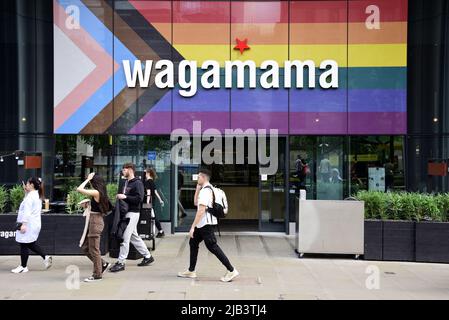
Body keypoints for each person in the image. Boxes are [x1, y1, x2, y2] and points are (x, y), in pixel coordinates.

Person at [178, 168, 239, 282]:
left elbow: (200, 211)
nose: (197, 178)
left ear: (204, 177)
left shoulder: (206, 191)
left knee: (212, 246)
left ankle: (231, 270)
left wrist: (192, 227)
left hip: (206, 224)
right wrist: (197, 189)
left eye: (199, 176)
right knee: (193, 242)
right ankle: (191, 271)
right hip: (203, 224)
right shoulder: (207, 189)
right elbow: (196, 203)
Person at [109, 163, 154, 272]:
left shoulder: (137, 183)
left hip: (132, 213)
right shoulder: (126, 182)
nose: (122, 172)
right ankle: (148, 256)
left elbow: (139, 199)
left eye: (124, 170)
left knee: (125, 238)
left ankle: (121, 262)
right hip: (127, 213)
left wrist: (125, 196)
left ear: (130, 170)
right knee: (134, 236)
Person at [11, 177, 52, 274]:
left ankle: (23, 266)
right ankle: (45, 257)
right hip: (34, 223)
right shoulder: (36, 194)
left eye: (28, 184)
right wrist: (26, 192)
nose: (26, 185)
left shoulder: (31, 196)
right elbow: (27, 205)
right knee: (30, 243)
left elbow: (27, 211)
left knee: (24, 244)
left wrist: (24, 224)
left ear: (32, 185)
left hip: (29, 224)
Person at [76, 172, 111, 282]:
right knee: (86, 248)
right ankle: (103, 264)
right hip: (94, 221)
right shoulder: (99, 192)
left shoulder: (97, 192)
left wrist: (87, 179)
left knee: (94, 250)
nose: (90, 183)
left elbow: (79, 189)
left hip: (95, 222)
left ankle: (97, 274)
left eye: (91, 181)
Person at [144, 168, 165, 238]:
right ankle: (159, 231)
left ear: (148, 173)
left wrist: (147, 202)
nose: (145, 174)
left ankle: (160, 231)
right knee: (153, 216)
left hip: (150, 201)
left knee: (152, 217)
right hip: (153, 201)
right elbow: (155, 192)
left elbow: (148, 192)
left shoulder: (147, 182)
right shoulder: (152, 181)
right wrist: (160, 200)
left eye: (145, 173)